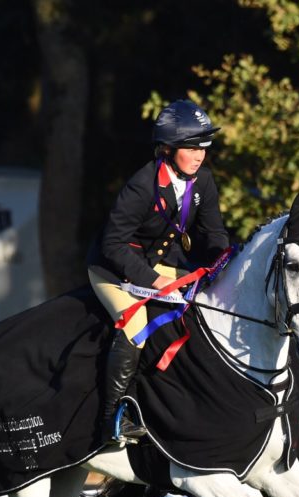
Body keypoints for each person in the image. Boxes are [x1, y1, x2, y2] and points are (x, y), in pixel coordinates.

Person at [86, 100, 230, 445]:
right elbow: (113, 245)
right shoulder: (142, 185)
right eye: (192, 147)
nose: (199, 155)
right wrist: (155, 281)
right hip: (113, 269)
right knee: (135, 326)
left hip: (159, 263)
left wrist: (223, 262)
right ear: (168, 148)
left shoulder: (204, 182)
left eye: (203, 147)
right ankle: (113, 419)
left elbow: (214, 233)